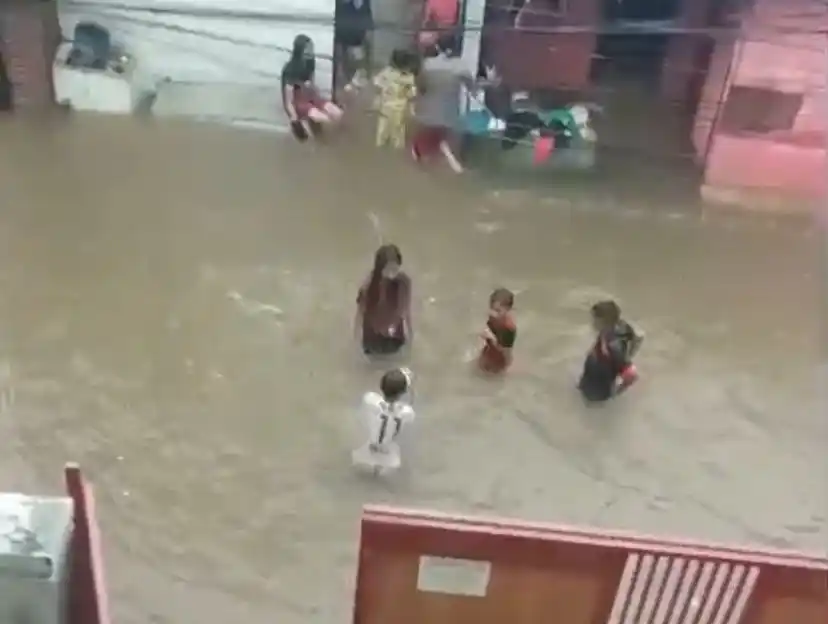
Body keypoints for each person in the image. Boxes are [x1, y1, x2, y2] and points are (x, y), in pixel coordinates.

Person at [411, 34, 474, 173]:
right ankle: (452, 167)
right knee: (440, 144)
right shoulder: (460, 65)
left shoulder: (427, 64)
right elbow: (471, 86)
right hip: (449, 117)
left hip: (425, 115)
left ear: (437, 47)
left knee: (424, 149)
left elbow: (420, 87)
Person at [352, 367, 416, 475]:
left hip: (368, 448)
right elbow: (408, 407)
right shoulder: (407, 413)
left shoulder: (369, 399)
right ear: (403, 393)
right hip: (387, 453)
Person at [578, 300, 644, 403]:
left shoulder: (611, 346)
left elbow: (631, 374)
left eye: (595, 320)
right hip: (596, 378)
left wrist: (615, 393)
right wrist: (628, 354)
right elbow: (639, 337)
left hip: (597, 393)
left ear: (603, 322)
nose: (592, 323)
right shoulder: (621, 326)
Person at [281, 34, 343, 140]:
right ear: (300, 51)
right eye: (307, 49)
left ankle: (333, 140)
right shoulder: (290, 69)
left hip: (310, 95)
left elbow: (311, 82)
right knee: (324, 119)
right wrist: (294, 118)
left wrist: (320, 101)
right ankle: (328, 142)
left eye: (311, 48)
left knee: (338, 113)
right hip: (298, 101)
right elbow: (288, 101)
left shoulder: (310, 62)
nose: (310, 52)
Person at [355, 244, 412, 356]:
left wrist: (411, 336)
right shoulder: (368, 286)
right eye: (388, 268)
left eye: (395, 268)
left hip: (395, 336)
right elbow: (359, 316)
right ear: (380, 268)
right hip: (372, 337)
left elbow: (406, 311)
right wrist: (356, 345)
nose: (392, 272)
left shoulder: (403, 283)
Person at [374, 49, 418, 149]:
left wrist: (376, 103)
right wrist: (412, 111)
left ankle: (380, 149)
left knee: (382, 132)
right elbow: (411, 96)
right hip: (400, 109)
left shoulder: (386, 72)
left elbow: (377, 86)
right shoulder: (409, 77)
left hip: (385, 107)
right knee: (398, 134)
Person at [334, 0, 374, 93]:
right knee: (345, 60)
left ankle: (357, 81)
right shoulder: (342, 4)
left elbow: (367, 15)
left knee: (358, 60)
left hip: (360, 37)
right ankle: (347, 81)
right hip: (345, 36)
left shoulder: (365, 2)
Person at [478, 288, 517, 374]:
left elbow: (506, 354)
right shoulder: (493, 317)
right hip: (488, 354)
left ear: (508, 310)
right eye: (492, 309)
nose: (493, 313)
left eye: (498, 311)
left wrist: (492, 338)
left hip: (499, 364)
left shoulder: (508, 329)